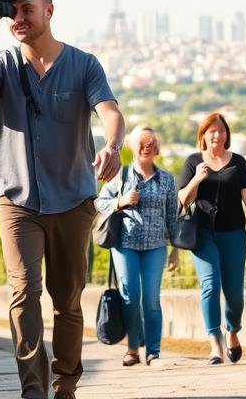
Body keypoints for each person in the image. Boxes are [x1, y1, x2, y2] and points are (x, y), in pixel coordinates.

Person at [0, 0, 125, 399]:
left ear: (49, 10)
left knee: (67, 301)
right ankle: (33, 389)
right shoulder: (4, 64)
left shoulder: (83, 64)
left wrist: (113, 146)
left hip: (72, 199)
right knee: (24, 291)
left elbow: (109, 111)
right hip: (17, 199)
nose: (19, 17)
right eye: (12, 9)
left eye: (27, 8)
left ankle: (66, 383)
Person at [94, 125, 178, 367]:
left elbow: (173, 216)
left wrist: (176, 250)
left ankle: (153, 351)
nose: (146, 147)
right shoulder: (121, 176)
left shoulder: (167, 181)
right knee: (130, 295)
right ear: (133, 147)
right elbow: (100, 202)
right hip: (125, 244)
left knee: (151, 299)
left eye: (151, 143)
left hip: (155, 246)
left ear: (157, 149)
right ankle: (132, 348)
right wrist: (120, 201)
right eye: (142, 143)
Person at [179, 112, 246, 365]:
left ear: (227, 134)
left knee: (234, 293)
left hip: (234, 233)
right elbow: (183, 200)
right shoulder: (193, 162)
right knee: (210, 284)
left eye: (221, 130)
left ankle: (232, 330)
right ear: (203, 135)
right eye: (211, 131)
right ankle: (215, 343)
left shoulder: (239, 162)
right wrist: (197, 178)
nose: (217, 135)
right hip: (203, 235)